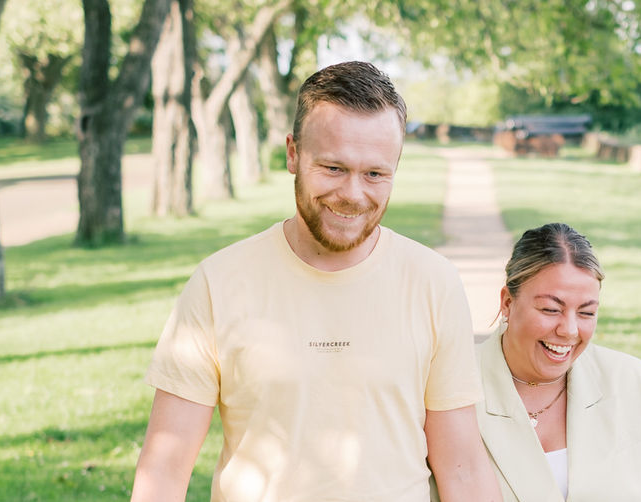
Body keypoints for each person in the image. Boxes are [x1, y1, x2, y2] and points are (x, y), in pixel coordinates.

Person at [130, 61, 501, 502]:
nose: (353, 194)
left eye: (375, 174)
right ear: (293, 153)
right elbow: (165, 470)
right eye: (332, 168)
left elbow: (461, 467)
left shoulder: (433, 283)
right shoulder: (219, 282)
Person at [476, 223, 641, 501]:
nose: (569, 330)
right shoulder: (453, 385)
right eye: (551, 309)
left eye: (586, 312)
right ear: (508, 303)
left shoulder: (637, 383)